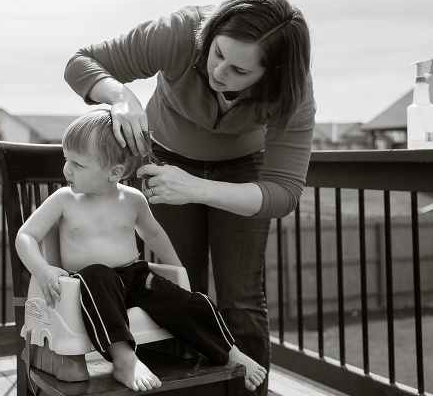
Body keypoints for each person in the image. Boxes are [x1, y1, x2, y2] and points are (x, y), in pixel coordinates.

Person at [64, 0, 315, 396]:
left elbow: (283, 192)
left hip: (241, 173)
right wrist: (120, 96)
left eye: (239, 71)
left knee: (241, 297)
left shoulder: (294, 92)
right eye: (217, 54)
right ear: (210, 34)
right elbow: (81, 62)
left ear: (272, 73)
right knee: (179, 290)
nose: (219, 73)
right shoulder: (182, 31)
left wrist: (197, 188)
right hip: (166, 156)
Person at [15, 110, 268, 392]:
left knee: (188, 300)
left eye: (78, 164)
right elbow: (25, 235)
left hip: (134, 277)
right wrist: (42, 270)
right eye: (66, 159)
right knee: (99, 274)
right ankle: (124, 359)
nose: (67, 169)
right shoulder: (64, 199)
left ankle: (230, 351)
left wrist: (177, 271)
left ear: (114, 173)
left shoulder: (132, 200)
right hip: (87, 284)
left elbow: (154, 234)